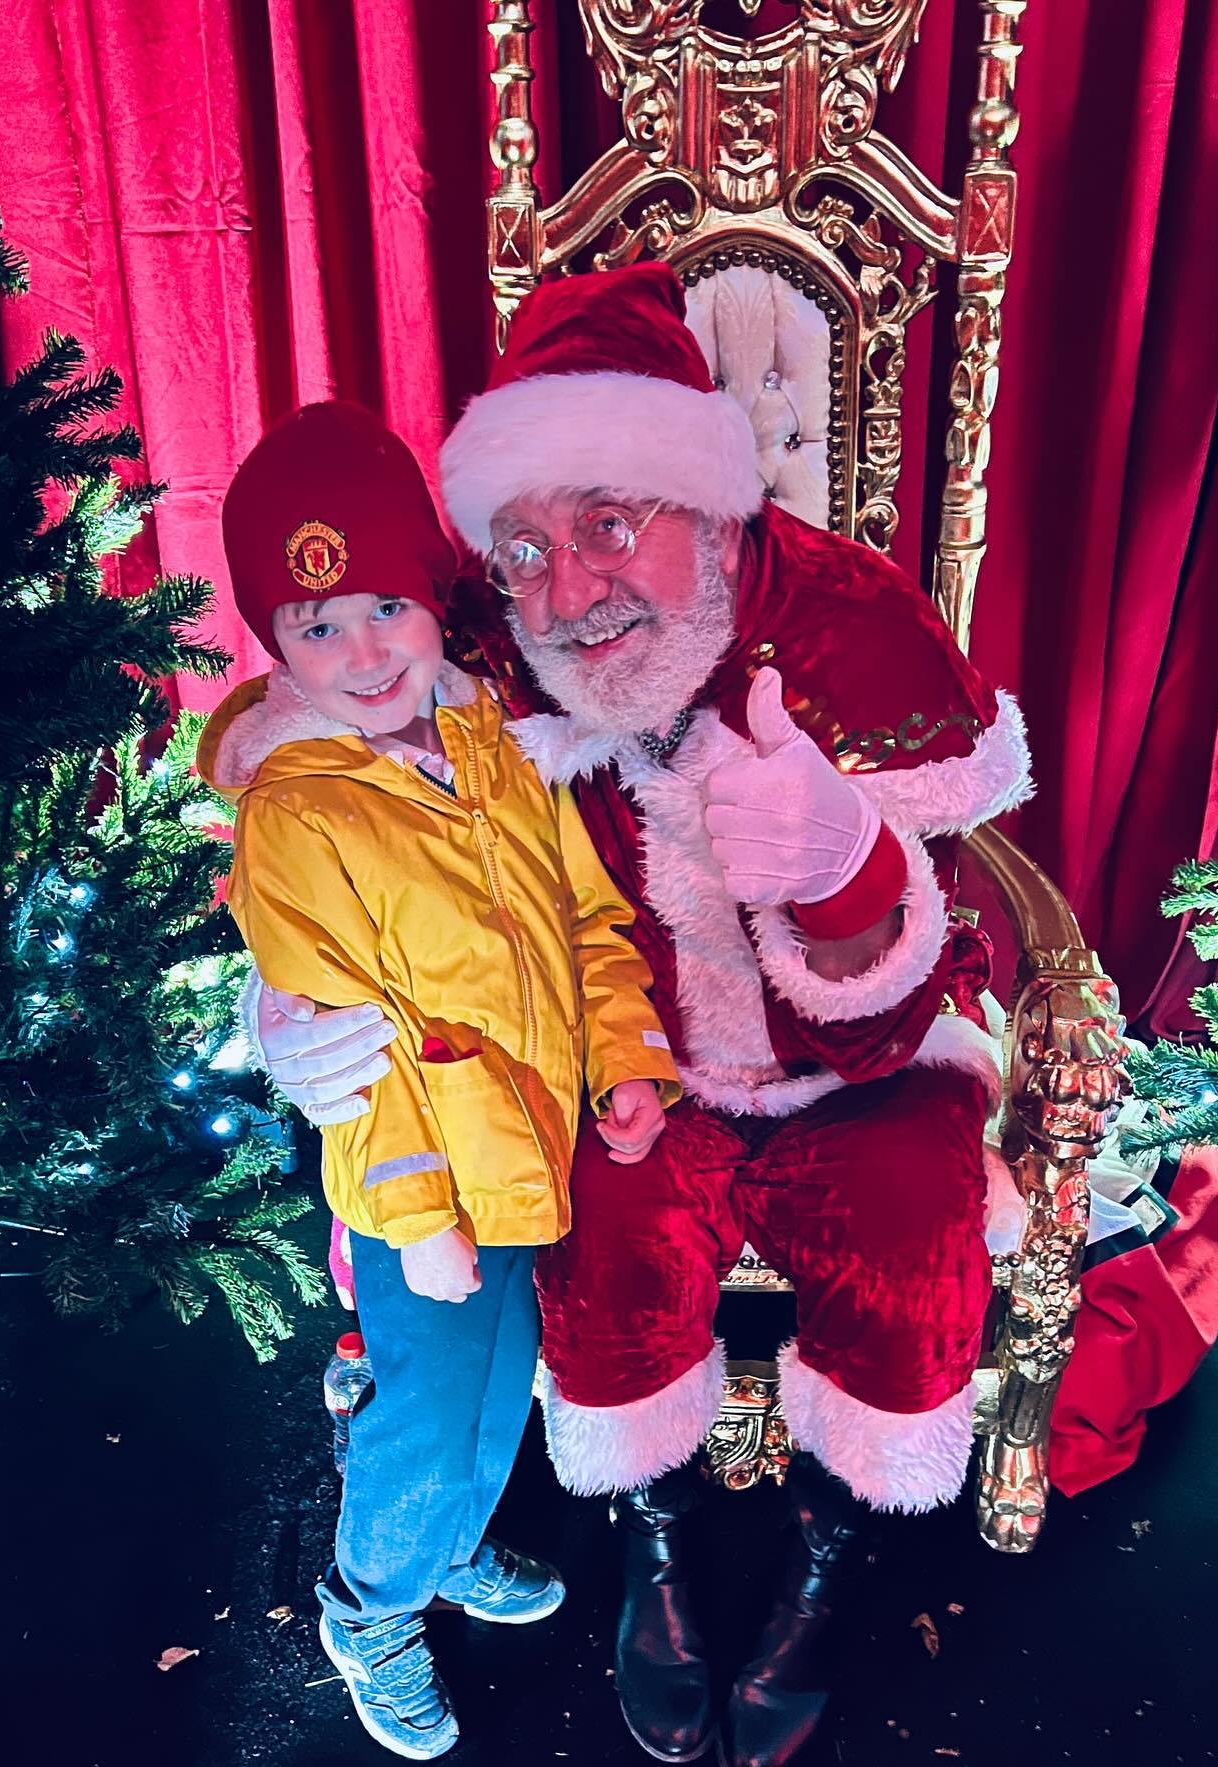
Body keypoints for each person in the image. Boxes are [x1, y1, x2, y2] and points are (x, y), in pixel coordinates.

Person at [249, 265, 1044, 1767]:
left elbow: (912, 998)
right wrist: (291, 974)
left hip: (855, 1074)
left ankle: (828, 1560)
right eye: (526, 546)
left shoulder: (855, 631)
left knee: (918, 1211)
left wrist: (846, 874)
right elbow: (322, 715)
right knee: (603, 1221)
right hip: (631, 1066)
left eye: (612, 525)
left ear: (708, 501)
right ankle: (658, 1537)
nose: (568, 592)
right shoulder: (483, 635)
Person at [199, 400, 679, 1761]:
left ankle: (444, 1533)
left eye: (383, 610)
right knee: (437, 1404)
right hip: (426, 1194)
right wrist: (423, 1220)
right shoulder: (295, 813)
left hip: (532, 1155)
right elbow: (345, 1051)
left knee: (491, 1385)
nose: (361, 654)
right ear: (274, 646)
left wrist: (627, 1065)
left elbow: (590, 926)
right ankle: (372, 1603)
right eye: (316, 628)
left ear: (432, 601)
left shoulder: (491, 746)